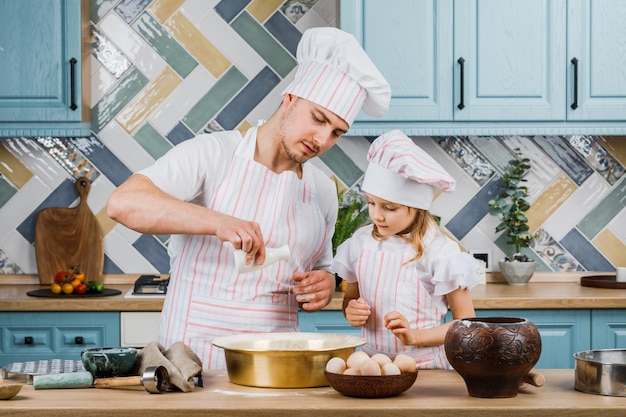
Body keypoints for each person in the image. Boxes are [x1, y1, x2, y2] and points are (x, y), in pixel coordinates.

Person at [106, 27, 391, 369]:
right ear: (290, 98)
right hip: (194, 362)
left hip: (277, 365)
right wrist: (218, 221)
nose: (322, 138)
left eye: (337, 133)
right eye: (318, 118)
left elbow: (321, 269)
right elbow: (123, 203)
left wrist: (324, 285)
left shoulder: (321, 190)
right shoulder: (213, 155)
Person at [332, 130, 482, 369]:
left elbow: (467, 325)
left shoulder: (441, 253)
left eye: (389, 207)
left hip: (424, 368)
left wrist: (415, 336)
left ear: (417, 207)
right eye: (371, 202)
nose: (376, 215)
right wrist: (351, 310)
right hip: (371, 367)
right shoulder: (360, 242)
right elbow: (351, 296)